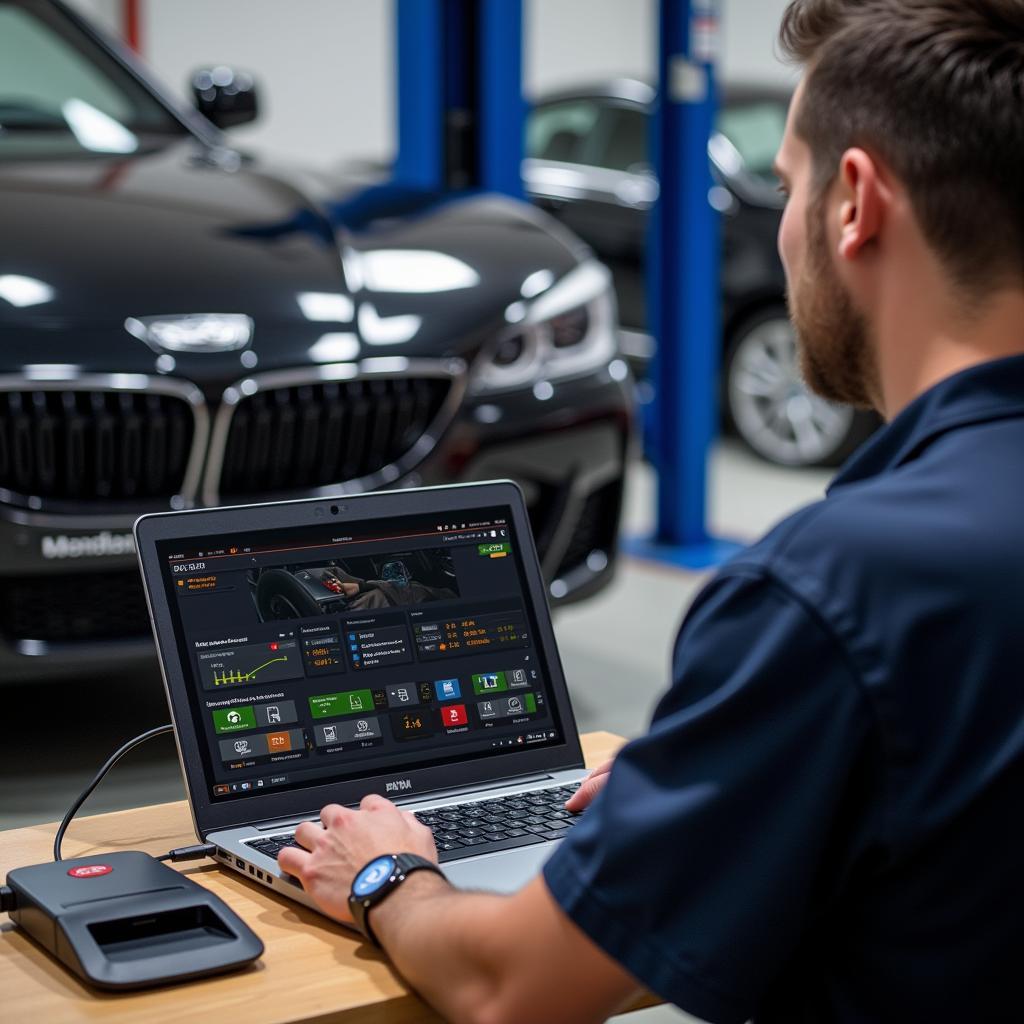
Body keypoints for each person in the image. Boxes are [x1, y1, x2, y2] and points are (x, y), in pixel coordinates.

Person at [278, 2, 1024, 1020]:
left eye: (785, 187)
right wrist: (732, 760)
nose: (789, 221)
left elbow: (513, 985)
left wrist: (386, 877)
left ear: (852, 204)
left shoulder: (837, 585)